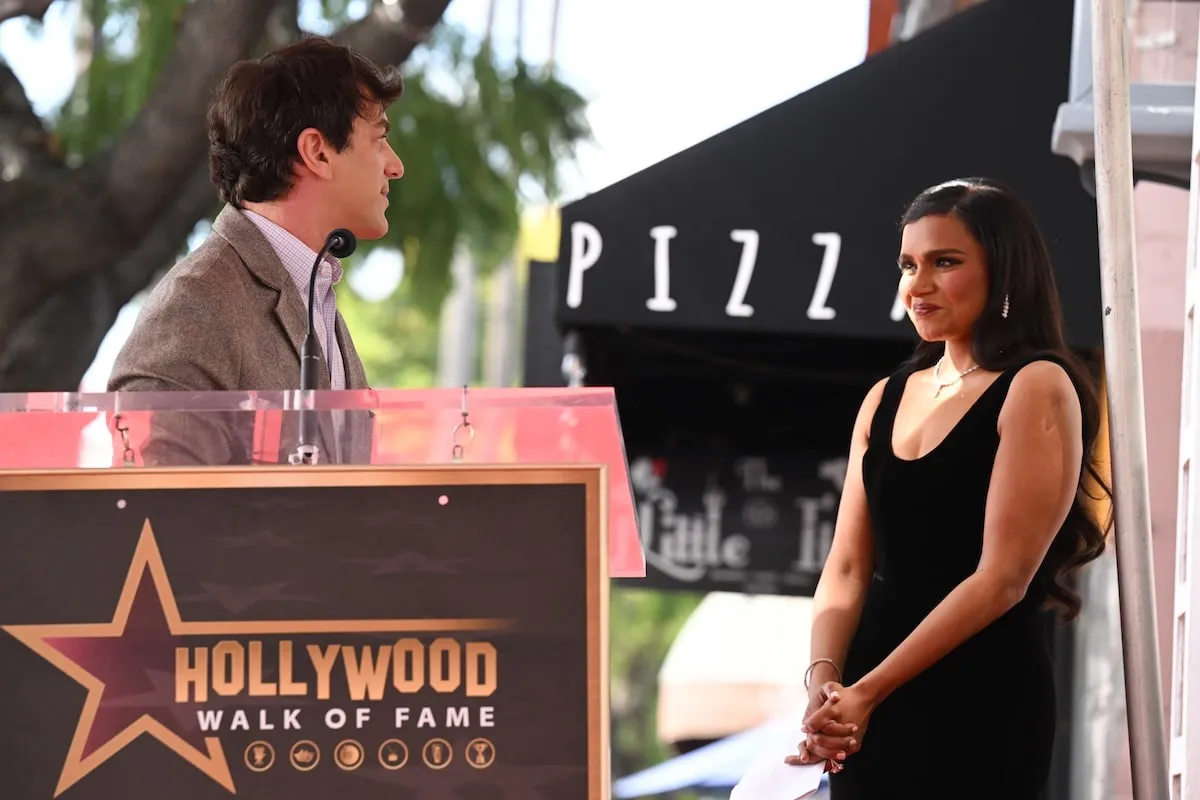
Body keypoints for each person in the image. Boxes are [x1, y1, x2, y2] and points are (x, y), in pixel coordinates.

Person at [784, 177, 1111, 797]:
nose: (918, 284)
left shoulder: (1037, 384)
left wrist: (868, 691)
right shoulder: (885, 397)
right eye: (909, 264)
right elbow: (848, 567)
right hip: (866, 708)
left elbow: (1002, 578)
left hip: (979, 700)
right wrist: (824, 687)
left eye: (945, 262)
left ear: (1005, 272)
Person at [107, 36, 405, 465]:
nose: (395, 165)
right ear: (318, 152)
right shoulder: (197, 305)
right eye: (379, 140)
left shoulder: (315, 295)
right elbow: (152, 510)